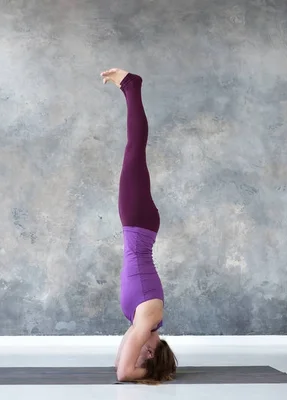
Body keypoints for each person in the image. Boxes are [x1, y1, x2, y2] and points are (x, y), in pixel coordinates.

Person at [100, 68, 178, 383]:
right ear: (150, 352)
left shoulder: (140, 326)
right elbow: (124, 374)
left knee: (134, 152)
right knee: (134, 150)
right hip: (138, 223)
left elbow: (120, 363)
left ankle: (129, 90)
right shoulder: (148, 320)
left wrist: (145, 367)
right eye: (145, 355)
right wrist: (146, 370)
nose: (138, 352)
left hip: (139, 224)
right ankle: (132, 86)